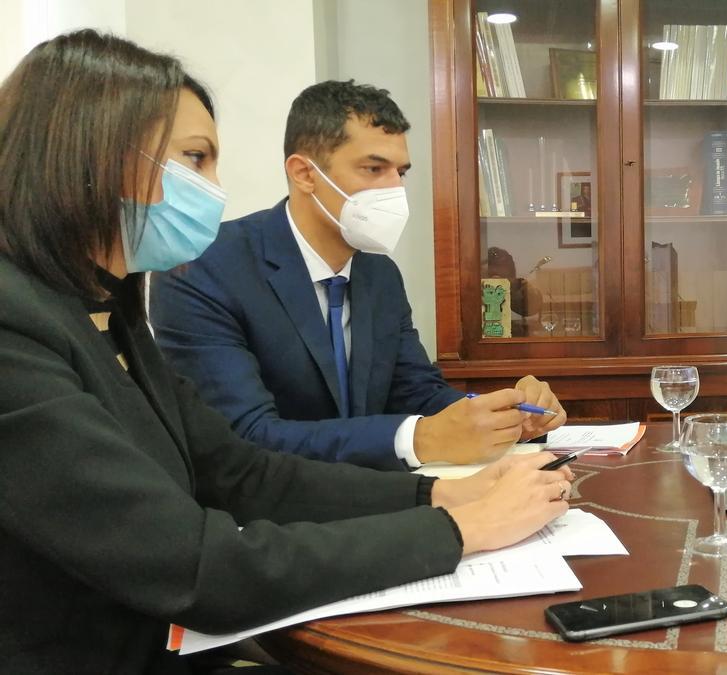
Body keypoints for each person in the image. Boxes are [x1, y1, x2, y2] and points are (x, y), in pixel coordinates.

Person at [0, 31, 574, 673]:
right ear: (92, 156)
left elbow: (244, 473)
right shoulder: (15, 328)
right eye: (195, 159)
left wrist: (441, 496)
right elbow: (197, 565)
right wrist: (462, 530)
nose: (215, 189)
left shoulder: (111, 311)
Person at [150, 80, 566, 471]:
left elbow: (415, 392)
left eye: (400, 173)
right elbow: (245, 436)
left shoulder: (379, 273)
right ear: (305, 173)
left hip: (381, 498)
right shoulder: (203, 268)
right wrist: (417, 439)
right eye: (373, 169)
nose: (393, 190)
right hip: (267, 520)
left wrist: (503, 415)